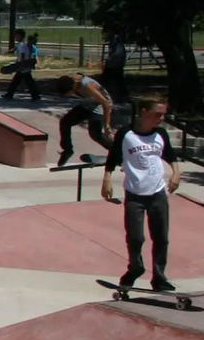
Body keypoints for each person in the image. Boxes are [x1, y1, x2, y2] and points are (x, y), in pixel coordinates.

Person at [101, 95, 182, 292]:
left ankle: (159, 276)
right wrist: (107, 178)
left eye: (163, 115)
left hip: (157, 193)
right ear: (144, 112)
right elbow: (113, 157)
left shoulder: (160, 134)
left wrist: (176, 173)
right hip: (135, 195)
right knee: (136, 237)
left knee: (161, 237)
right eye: (157, 114)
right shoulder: (126, 134)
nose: (161, 118)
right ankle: (135, 268)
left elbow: (170, 155)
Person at [53, 72, 115, 167]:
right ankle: (68, 150)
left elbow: (106, 103)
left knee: (95, 133)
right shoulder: (71, 82)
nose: (70, 95)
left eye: (68, 93)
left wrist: (107, 125)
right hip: (88, 103)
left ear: (72, 88)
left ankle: (117, 152)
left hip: (101, 105)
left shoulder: (87, 86)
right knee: (65, 122)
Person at [1, 28, 39, 101]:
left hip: (23, 65)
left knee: (26, 81)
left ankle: (35, 95)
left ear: (20, 36)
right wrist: (10, 51)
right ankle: (35, 95)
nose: (15, 37)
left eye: (16, 36)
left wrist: (20, 65)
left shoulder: (22, 45)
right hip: (24, 65)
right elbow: (16, 48)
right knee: (21, 81)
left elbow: (23, 55)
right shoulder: (22, 44)